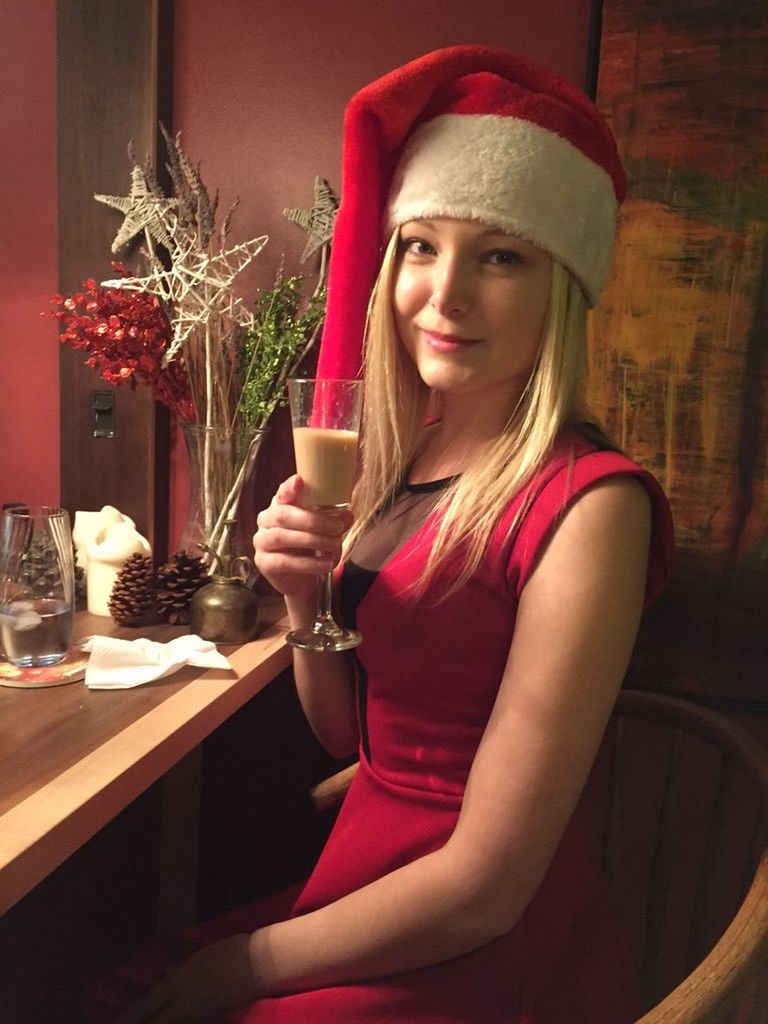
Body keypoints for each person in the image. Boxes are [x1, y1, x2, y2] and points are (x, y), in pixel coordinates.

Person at [105, 44, 673, 1023]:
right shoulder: (397, 467)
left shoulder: (594, 509)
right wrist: (303, 595)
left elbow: (488, 888)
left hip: (477, 929)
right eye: (421, 245)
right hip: (373, 875)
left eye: (500, 255)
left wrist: (239, 966)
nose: (444, 293)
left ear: (563, 288)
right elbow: (353, 734)